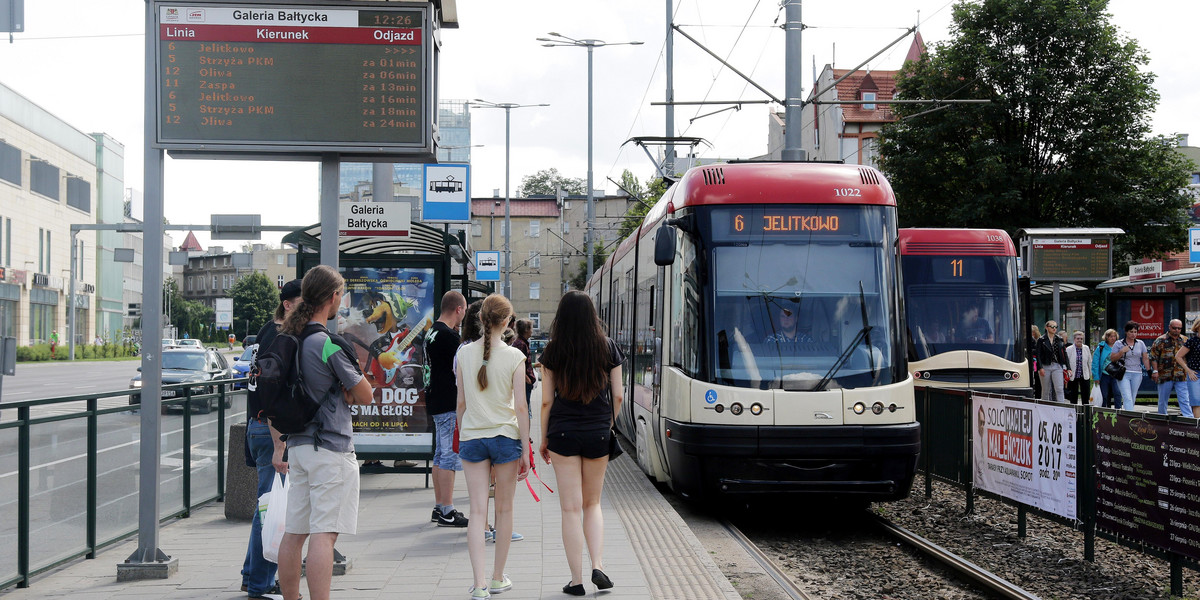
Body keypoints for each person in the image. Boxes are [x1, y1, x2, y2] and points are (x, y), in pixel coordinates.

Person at [277, 266, 374, 600]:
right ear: (333, 298)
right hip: (330, 448)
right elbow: (365, 394)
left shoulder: (290, 339)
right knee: (324, 535)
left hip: (299, 447)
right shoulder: (327, 344)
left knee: (294, 533)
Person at [538, 290, 625, 597]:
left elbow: (547, 401)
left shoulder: (552, 351)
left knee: (570, 509)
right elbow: (618, 395)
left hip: (562, 433)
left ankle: (576, 582)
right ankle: (598, 565)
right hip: (598, 433)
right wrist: (608, 424)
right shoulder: (608, 347)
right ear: (592, 315)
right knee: (593, 504)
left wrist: (543, 439)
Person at [455, 294, 530, 599]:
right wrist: (526, 448)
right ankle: (498, 578)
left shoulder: (463, 354)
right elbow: (522, 408)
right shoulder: (515, 357)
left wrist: (464, 431)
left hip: (473, 437)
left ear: (481, 318)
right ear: (508, 322)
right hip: (505, 438)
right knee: (504, 509)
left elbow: (460, 402)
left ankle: (478, 584)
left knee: (476, 512)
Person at [240, 278, 301, 599]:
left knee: (267, 506)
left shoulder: (267, 331)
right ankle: (260, 584)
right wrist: (280, 443)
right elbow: (272, 393)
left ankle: (253, 575)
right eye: (303, 304)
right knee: (270, 509)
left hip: (259, 427)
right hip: (270, 430)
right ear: (288, 304)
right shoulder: (280, 336)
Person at [425, 291, 469, 528]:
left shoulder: (432, 332)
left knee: (440, 455)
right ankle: (448, 511)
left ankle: (439, 506)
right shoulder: (449, 336)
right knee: (449, 457)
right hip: (448, 402)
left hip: (435, 400)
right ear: (459, 310)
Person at [1149, 319, 1191, 416]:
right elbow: (1153, 357)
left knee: (1184, 399)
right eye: (1174, 328)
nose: (1177, 330)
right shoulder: (1160, 340)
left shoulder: (1185, 340)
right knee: (1163, 399)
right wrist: (1155, 371)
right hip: (1165, 375)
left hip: (1181, 374)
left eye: (1179, 328)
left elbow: (1189, 357)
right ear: (1169, 327)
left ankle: (1189, 419)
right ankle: (1161, 418)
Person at [1110, 321, 1150, 411]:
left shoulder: (1140, 343)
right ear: (1126, 332)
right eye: (1131, 332)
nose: (1133, 334)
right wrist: (1121, 352)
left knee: (1132, 396)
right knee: (1126, 396)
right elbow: (1112, 358)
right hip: (1124, 372)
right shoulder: (1118, 343)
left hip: (1137, 373)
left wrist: (1149, 371)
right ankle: (1130, 417)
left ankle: (1128, 413)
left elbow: (1145, 358)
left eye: (1135, 332)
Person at [1035, 321, 1071, 402]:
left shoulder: (1059, 339)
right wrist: (1040, 367)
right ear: (1046, 327)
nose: (1054, 328)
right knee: (1045, 390)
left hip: (1057, 365)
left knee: (1059, 389)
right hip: (1045, 365)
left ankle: (1061, 408)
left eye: (1055, 327)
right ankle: (1045, 409)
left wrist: (1069, 368)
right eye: (1052, 326)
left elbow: (1064, 354)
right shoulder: (1041, 340)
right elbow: (1038, 355)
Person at [511, 319, 537, 421]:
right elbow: (518, 363)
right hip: (523, 382)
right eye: (531, 328)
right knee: (524, 408)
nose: (532, 331)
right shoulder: (520, 344)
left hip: (526, 382)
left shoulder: (523, 343)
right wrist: (526, 377)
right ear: (526, 330)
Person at [1176, 317, 1200, 418]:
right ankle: (1197, 427)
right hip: (1195, 374)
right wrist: (1188, 371)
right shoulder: (1192, 341)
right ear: (1198, 327)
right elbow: (1178, 356)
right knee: (1196, 402)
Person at [1092, 329, 1120, 409]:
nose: (1113, 338)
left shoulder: (1119, 346)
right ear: (1106, 337)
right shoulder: (1101, 347)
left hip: (1115, 375)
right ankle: (1103, 411)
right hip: (1104, 375)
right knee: (1104, 395)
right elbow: (1095, 363)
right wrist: (1096, 376)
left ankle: (1118, 411)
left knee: (1117, 393)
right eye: (1111, 336)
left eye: (1114, 336)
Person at [1064, 331, 1092, 404]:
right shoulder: (1069, 349)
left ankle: (1084, 413)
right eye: (1078, 338)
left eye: (1081, 339)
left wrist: (1090, 374)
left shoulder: (1086, 348)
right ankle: (1074, 413)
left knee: (1085, 396)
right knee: (1073, 396)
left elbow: (1089, 362)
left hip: (1084, 375)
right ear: (1074, 339)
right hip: (1073, 375)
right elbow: (1066, 362)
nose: (1079, 340)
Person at [1029, 325, 1042, 399]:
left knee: (1037, 380)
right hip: (1035, 362)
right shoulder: (1037, 339)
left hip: (1036, 362)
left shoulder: (1036, 340)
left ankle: (1038, 396)